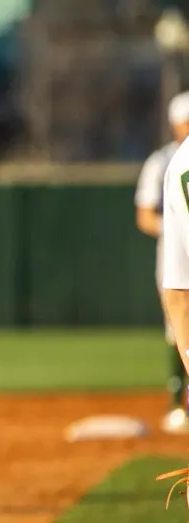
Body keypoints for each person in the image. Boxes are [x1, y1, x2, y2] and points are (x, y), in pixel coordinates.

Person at [137, 91, 189, 433]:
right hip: (174, 252)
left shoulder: (178, 162)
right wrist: (174, 228)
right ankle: (177, 402)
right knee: (177, 327)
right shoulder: (164, 162)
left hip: (178, 257)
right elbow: (144, 216)